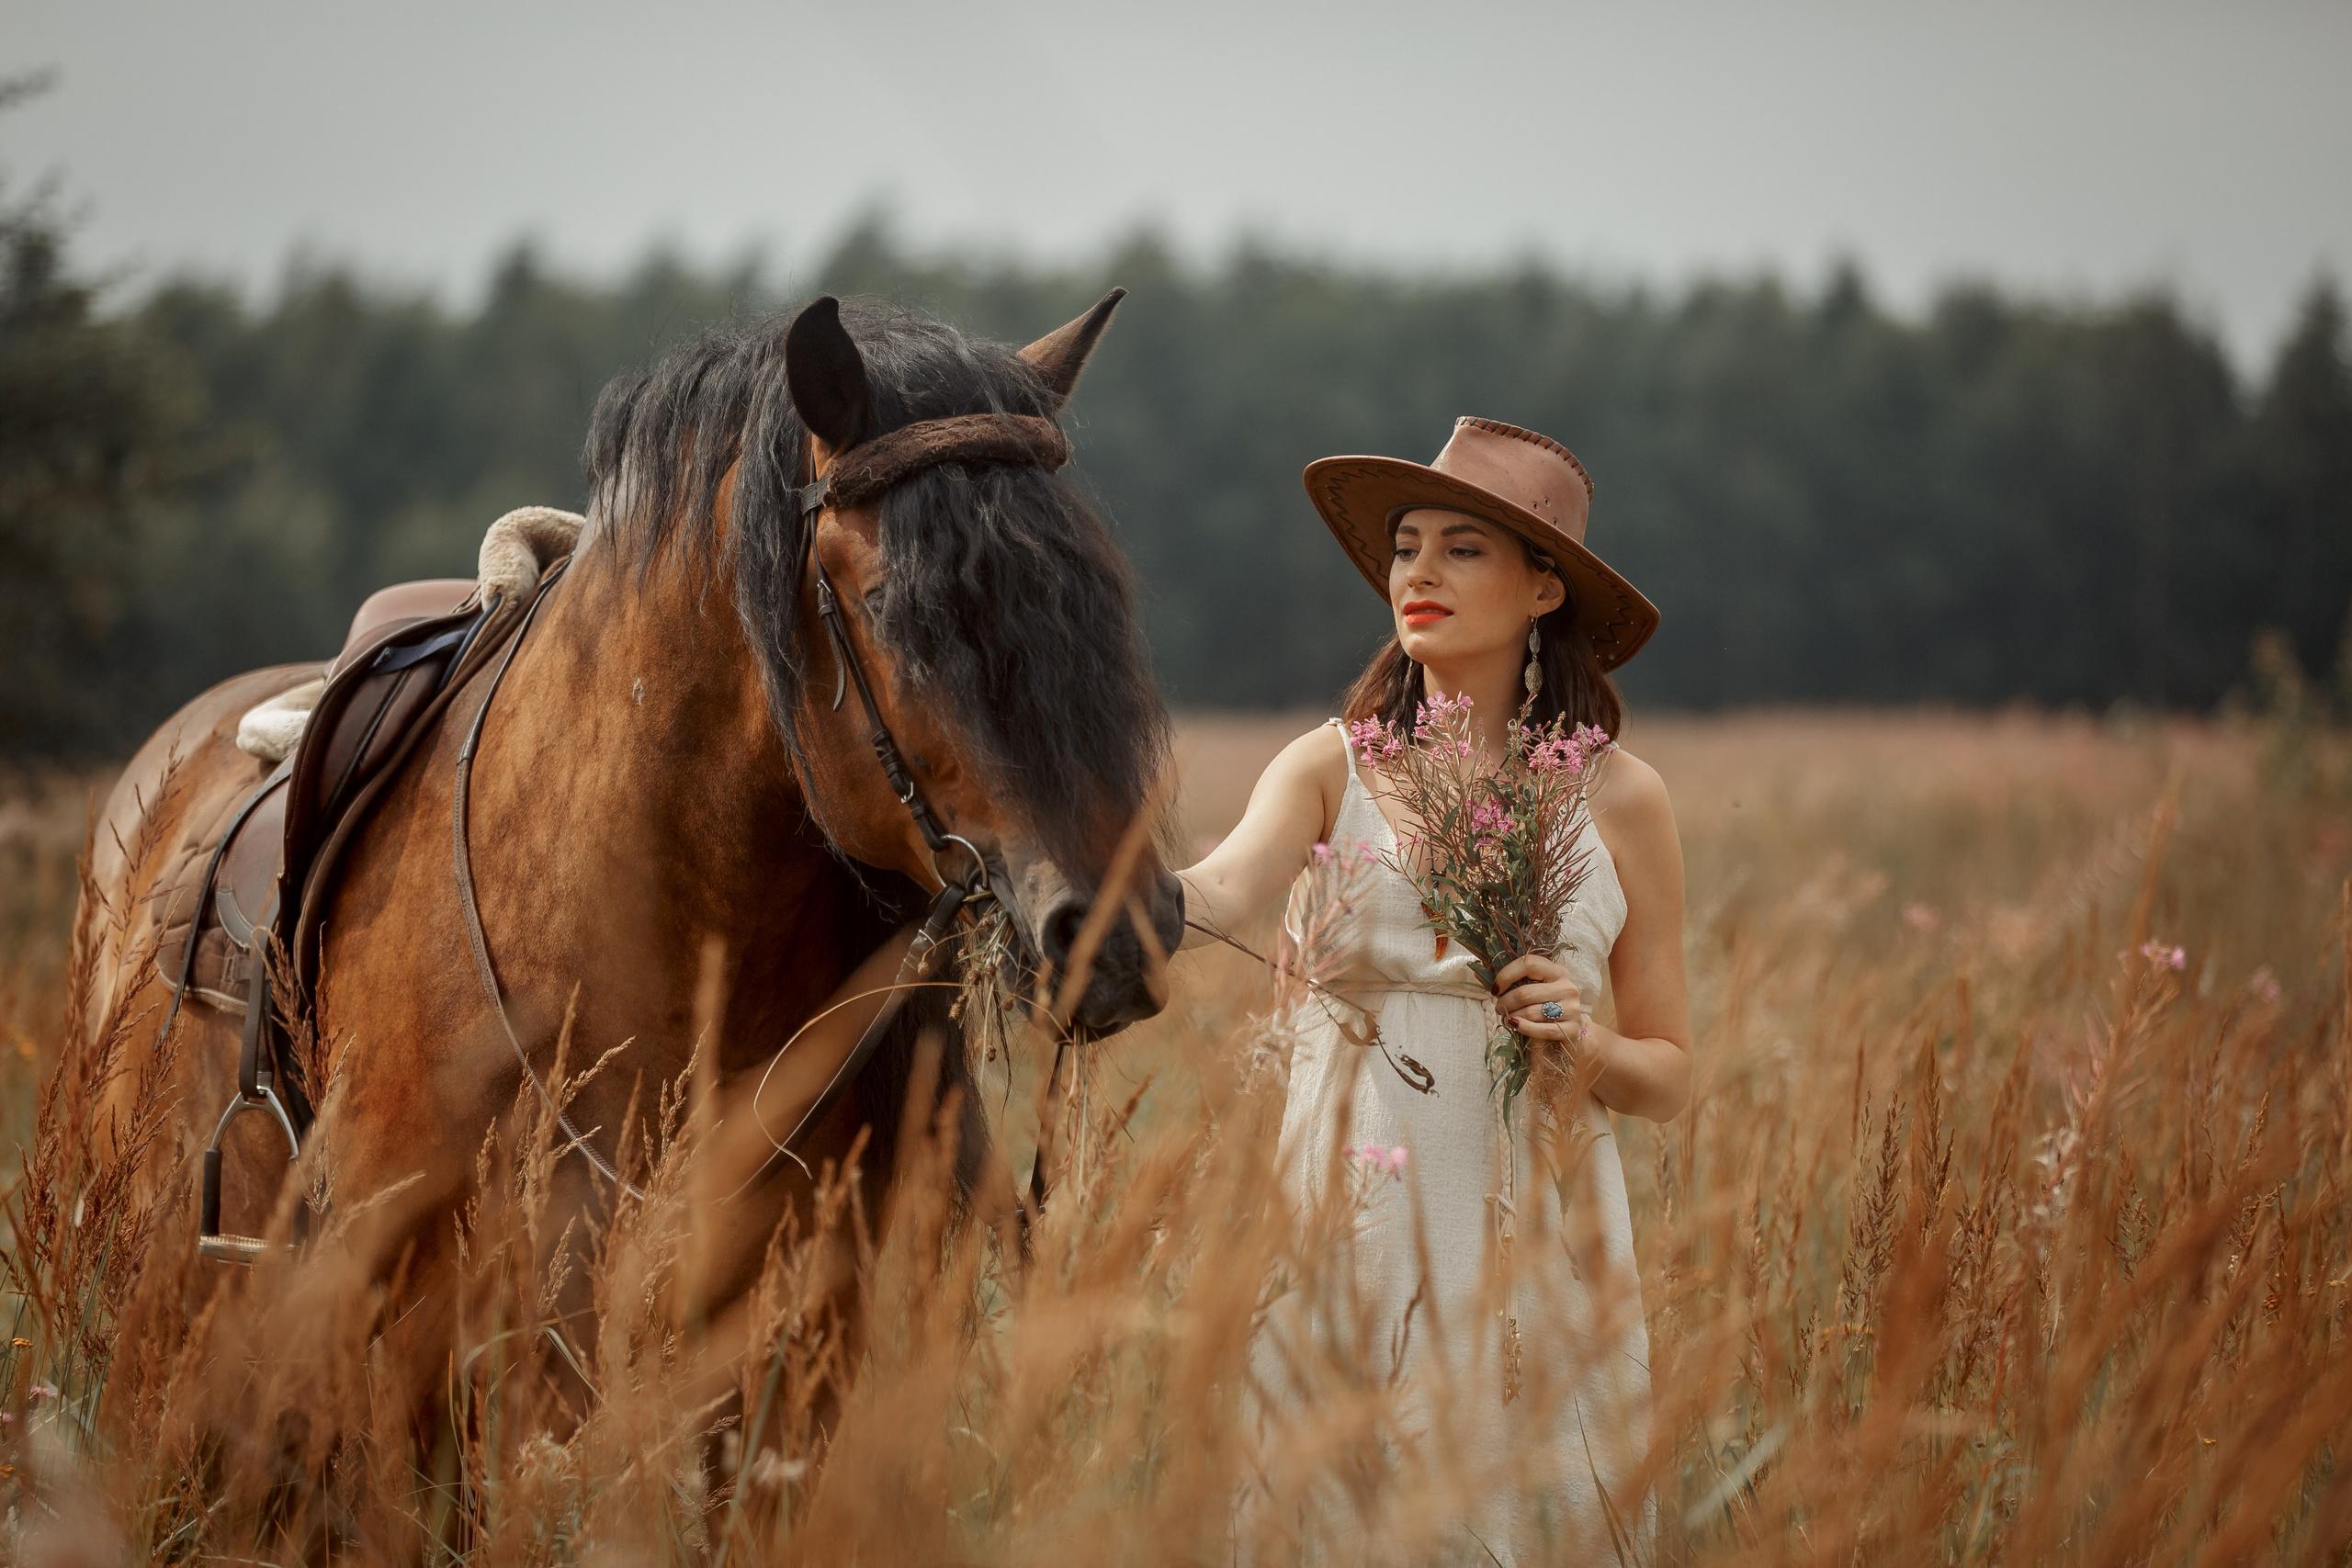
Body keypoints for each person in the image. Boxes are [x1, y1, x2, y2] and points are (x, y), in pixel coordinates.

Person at [1183, 417, 1691, 1563]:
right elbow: (1217, 887)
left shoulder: (1624, 800)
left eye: (1462, 549)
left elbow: (1669, 1072)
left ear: (1544, 590)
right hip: (1350, 1228)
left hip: (1543, 1244)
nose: (1416, 571)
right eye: (1406, 545)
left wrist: (1584, 1042)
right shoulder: (1330, 766)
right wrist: (1103, 897)